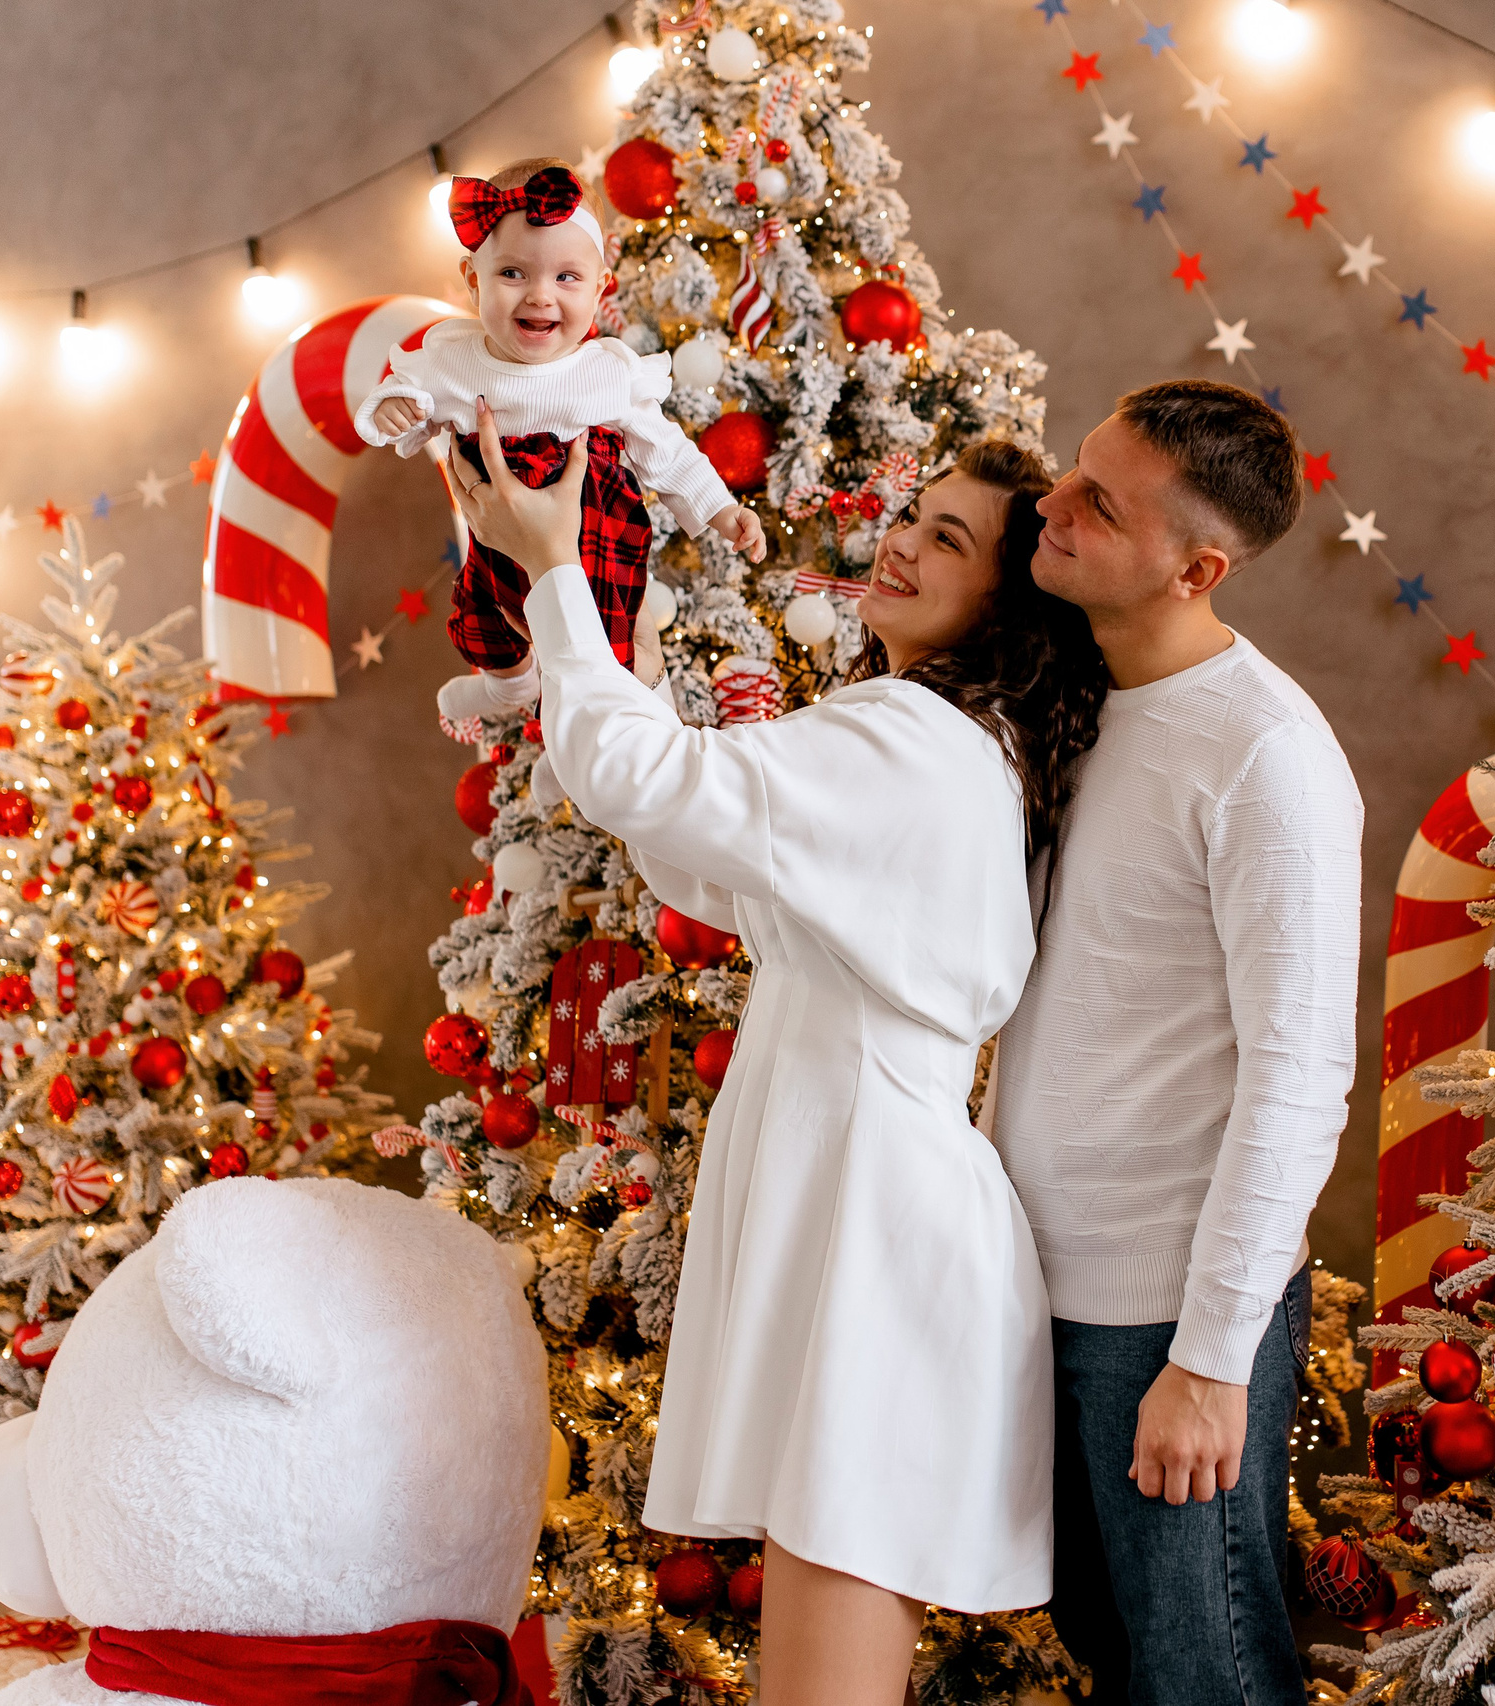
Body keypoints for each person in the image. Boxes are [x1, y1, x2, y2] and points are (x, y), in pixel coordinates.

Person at [447, 402, 1107, 1706]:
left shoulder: (916, 744)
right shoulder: (940, 741)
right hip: (859, 1190)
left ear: (1010, 603)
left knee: (826, 1667)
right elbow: (693, 837)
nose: (903, 547)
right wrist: (586, 621)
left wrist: (559, 571)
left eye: (951, 540)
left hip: (875, 1212)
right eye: (912, 520)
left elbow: (644, 784)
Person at [990, 379, 1363, 1703]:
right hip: (1039, 1286)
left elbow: (1300, 1073)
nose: (1055, 504)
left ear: (1198, 566)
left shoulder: (1266, 755)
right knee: (1108, 1649)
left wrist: (1210, 1359)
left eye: (1101, 501)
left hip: (1170, 1311)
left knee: (1207, 1670)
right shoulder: (1075, 700)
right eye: (1073, 471)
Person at [352, 158, 768, 725]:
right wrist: (394, 409)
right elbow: (405, 400)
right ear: (474, 282)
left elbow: (665, 451)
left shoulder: (608, 373)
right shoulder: (453, 360)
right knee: (483, 621)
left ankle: (611, 733)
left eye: (566, 278)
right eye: (513, 274)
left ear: (600, 288)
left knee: (603, 652)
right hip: (497, 547)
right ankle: (510, 687)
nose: (540, 297)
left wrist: (720, 509)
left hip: (595, 543)